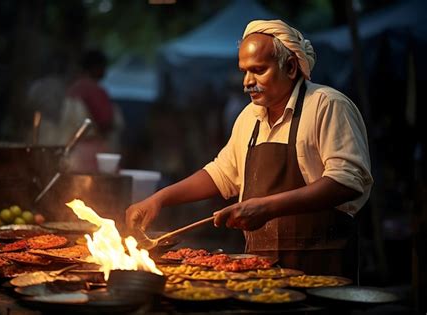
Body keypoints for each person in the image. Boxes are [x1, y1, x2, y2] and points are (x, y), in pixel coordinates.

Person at [126, 20, 373, 279]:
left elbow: (346, 182)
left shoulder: (327, 106)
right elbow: (221, 174)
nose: (247, 82)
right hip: (258, 268)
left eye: (258, 70)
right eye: (244, 71)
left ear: (289, 67)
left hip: (322, 263)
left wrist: (266, 208)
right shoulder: (249, 117)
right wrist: (158, 199)